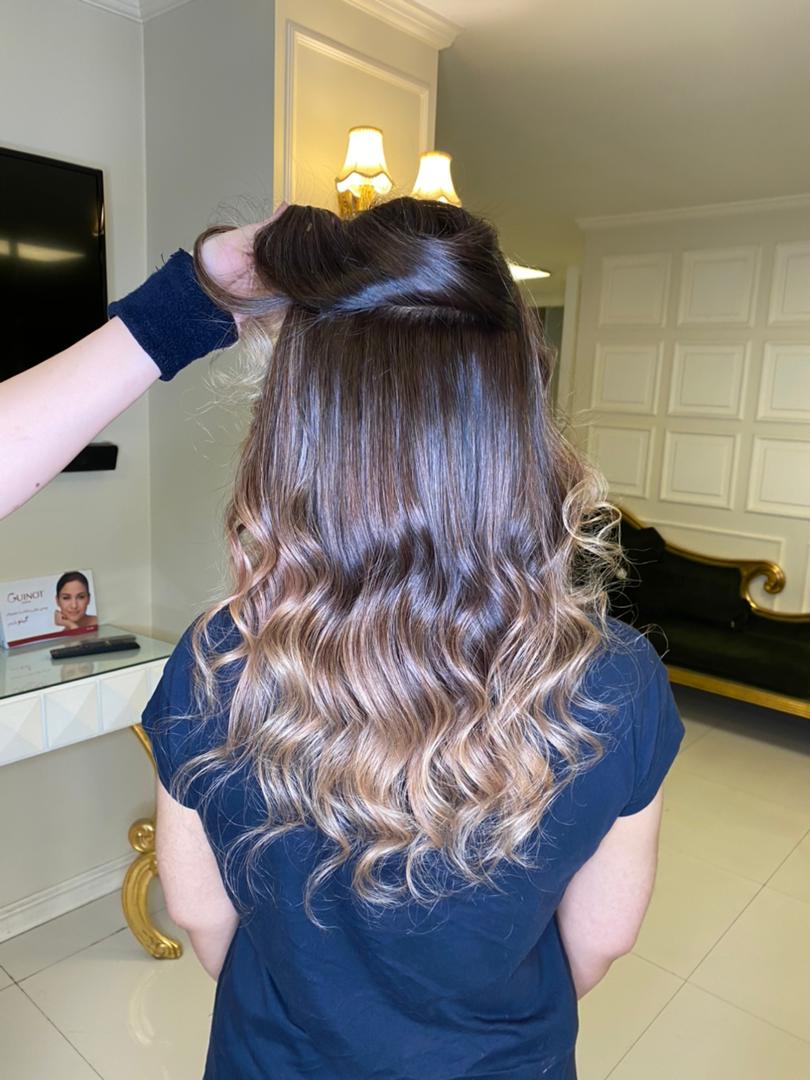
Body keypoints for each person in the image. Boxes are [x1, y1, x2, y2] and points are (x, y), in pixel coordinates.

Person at [0, 197, 684, 1080]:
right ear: (516, 426)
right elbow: (602, 938)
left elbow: (202, 917)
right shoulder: (617, 680)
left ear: (296, 427)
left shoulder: (218, 662)